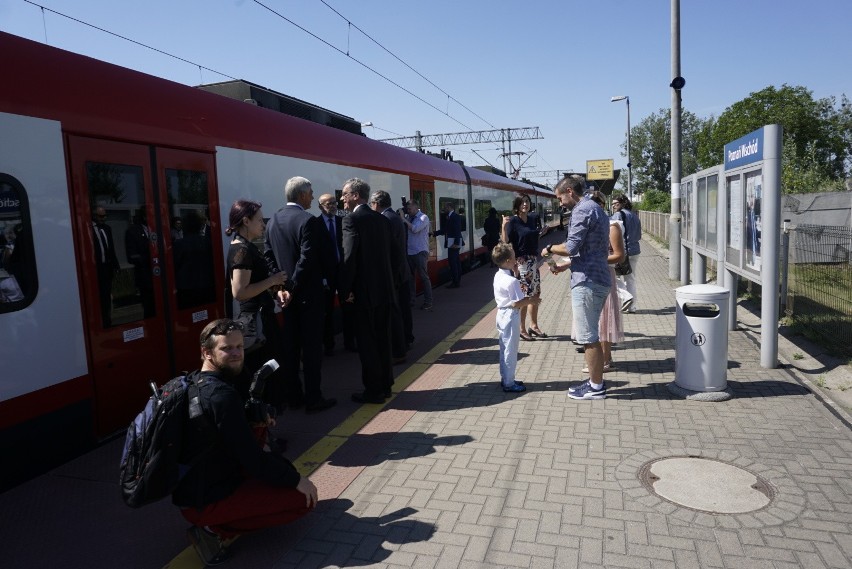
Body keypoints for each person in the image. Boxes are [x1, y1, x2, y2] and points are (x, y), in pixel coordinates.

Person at [173, 319, 318, 566]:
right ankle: (212, 529)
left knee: (282, 470)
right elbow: (253, 459)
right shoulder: (221, 396)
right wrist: (297, 481)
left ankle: (217, 518)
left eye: (239, 347)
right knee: (301, 500)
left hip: (196, 485)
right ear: (206, 352)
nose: (236, 353)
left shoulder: (195, 381)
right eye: (227, 348)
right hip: (204, 499)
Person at [264, 176, 337, 413]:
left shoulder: (272, 220)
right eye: (311, 193)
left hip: (286, 298)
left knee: (291, 348)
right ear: (302, 195)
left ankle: (293, 395)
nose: (314, 197)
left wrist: (281, 288)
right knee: (312, 348)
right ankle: (313, 398)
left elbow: (268, 256)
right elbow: (307, 259)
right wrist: (293, 286)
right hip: (308, 296)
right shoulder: (309, 221)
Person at [541, 176, 611, 400]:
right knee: (592, 335)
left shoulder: (582, 210)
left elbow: (571, 246)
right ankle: (594, 381)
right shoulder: (597, 208)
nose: (560, 203)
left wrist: (550, 248)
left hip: (587, 281)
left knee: (588, 337)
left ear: (569, 191)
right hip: (596, 276)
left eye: (560, 197)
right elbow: (589, 250)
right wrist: (564, 267)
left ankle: (596, 387)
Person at [339, 178, 398, 404]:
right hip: (384, 291)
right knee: (383, 340)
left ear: (355, 195)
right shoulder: (381, 220)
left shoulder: (351, 220)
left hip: (364, 294)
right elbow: (394, 256)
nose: (342, 198)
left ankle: (373, 391)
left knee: (367, 344)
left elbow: (349, 258)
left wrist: (345, 290)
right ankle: (385, 385)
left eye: (345, 194)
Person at [225, 199, 289, 407]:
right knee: (264, 374)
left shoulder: (244, 246)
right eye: (260, 220)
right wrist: (273, 280)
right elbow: (240, 292)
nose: (263, 224)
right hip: (257, 323)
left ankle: (265, 430)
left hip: (260, 318)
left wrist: (275, 291)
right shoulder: (242, 250)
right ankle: (263, 431)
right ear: (246, 220)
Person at [582, 192, 626, 374]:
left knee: (604, 320)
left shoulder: (611, 226)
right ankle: (600, 359)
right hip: (588, 276)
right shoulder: (586, 226)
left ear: (602, 205)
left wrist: (597, 260)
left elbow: (619, 255)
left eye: (596, 203)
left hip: (604, 275)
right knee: (593, 320)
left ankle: (605, 360)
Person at [370, 190, 414, 360]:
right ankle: (407, 339)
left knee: (396, 311)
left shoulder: (386, 219)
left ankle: (400, 346)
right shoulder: (395, 218)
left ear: (376, 203)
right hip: (402, 271)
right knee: (403, 309)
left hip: (395, 273)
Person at [491, 242, 541, 393]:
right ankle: (509, 382)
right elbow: (517, 303)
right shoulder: (511, 281)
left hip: (501, 314)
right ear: (507, 261)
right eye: (513, 258)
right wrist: (532, 300)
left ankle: (505, 377)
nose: (516, 260)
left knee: (504, 347)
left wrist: (516, 274)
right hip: (510, 315)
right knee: (511, 351)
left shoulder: (499, 275)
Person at [502, 194, 549, 341]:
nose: (525, 204)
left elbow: (531, 238)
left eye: (527, 202)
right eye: (522, 202)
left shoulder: (533, 218)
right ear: (517, 205)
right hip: (521, 263)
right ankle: (521, 329)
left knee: (535, 295)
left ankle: (533, 326)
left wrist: (541, 233)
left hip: (534, 261)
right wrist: (503, 226)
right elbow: (506, 241)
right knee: (524, 297)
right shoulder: (513, 221)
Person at [316, 193, 356, 356]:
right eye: (328, 204)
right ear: (320, 207)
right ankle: (329, 345)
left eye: (334, 203)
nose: (332, 206)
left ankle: (349, 342)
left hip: (343, 272)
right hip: (326, 274)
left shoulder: (342, 222)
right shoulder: (315, 224)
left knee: (348, 307)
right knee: (327, 310)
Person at [611, 194, 641, 313]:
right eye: (613, 204)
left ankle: (625, 297)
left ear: (623, 203)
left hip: (623, 251)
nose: (613, 206)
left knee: (613, 276)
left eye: (616, 203)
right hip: (635, 250)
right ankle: (632, 307)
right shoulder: (634, 215)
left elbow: (612, 233)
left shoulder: (618, 215)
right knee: (631, 278)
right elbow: (639, 235)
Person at [401, 199, 433, 310]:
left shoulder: (423, 217)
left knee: (424, 277)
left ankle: (428, 301)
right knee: (410, 278)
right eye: (407, 209)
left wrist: (404, 220)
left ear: (415, 207)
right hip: (410, 252)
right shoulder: (409, 218)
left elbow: (415, 229)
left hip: (420, 251)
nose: (408, 211)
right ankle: (411, 300)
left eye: (409, 209)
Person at [91, 207, 120, 326]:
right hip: (96, 268)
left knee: (106, 294)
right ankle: (100, 319)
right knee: (98, 295)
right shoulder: (90, 229)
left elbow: (111, 248)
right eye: (100, 216)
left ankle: (107, 318)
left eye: (104, 216)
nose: (103, 219)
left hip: (107, 267)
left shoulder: (107, 228)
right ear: (95, 216)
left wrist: (115, 264)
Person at [125, 211, 155, 318]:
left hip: (159, 277)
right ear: (144, 216)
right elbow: (131, 256)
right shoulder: (133, 232)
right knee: (149, 306)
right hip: (145, 276)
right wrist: (147, 259)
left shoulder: (158, 228)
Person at [434, 201, 463, 288]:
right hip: (452, 242)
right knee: (456, 262)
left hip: (453, 243)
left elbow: (457, 230)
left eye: (445, 207)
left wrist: (456, 243)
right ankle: (457, 280)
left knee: (453, 262)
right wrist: (435, 233)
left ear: (449, 207)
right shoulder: (451, 217)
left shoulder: (455, 216)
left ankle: (455, 282)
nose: (444, 209)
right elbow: (445, 229)